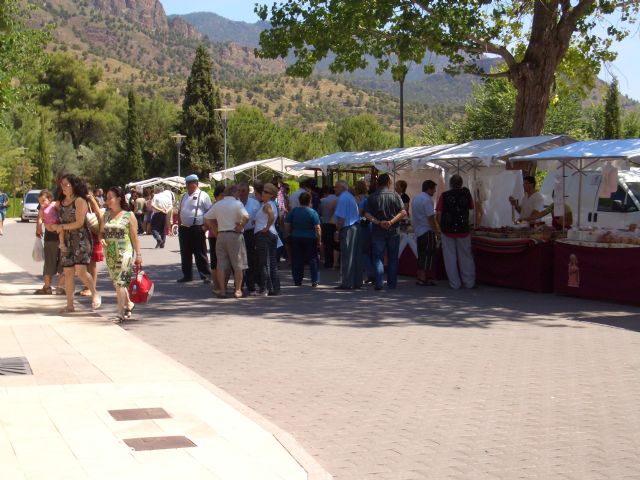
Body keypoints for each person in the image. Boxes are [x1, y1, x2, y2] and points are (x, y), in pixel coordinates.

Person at [52, 174, 101, 313]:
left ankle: (94, 293)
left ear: (74, 186)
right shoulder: (61, 202)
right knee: (68, 272)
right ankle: (70, 305)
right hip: (66, 240)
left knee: (81, 271)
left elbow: (79, 223)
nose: (63, 187)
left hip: (81, 239)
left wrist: (61, 227)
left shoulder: (80, 201)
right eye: (62, 185)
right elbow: (58, 220)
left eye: (66, 184)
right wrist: (53, 226)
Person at [100, 186, 142, 321]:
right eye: (107, 198)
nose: (108, 200)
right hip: (110, 252)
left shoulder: (129, 215)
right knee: (116, 282)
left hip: (125, 251)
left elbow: (134, 237)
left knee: (120, 282)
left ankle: (120, 311)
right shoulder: (105, 215)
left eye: (110, 197)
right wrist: (101, 239)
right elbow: (101, 231)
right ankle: (129, 303)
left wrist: (139, 255)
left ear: (119, 199)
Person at [204, 184, 249, 299]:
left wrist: (214, 229)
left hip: (221, 235)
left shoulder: (218, 204)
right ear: (234, 193)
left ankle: (222, 290)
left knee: (221, 264)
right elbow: (246, 216)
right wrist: (241, 225)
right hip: (234, 235)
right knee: (238, 264)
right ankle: (238, 290)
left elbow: (207, 217)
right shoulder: (237, 204)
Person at [364, 174, 407, 290]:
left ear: (378, 183)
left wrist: (378, 222)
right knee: (393, 258)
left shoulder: (372, 197)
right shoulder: (395, 196)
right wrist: (391, 222)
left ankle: (379, 283)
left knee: (378, 257)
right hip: (393, 230)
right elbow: (403, 213)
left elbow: (366, 214)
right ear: (388, 182)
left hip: (378, 230)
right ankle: (392, 284)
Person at [436, 174, 475, 290]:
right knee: (466, 256)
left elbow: (438, 213)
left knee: (450, 257)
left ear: (450, 184)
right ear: (461, 183)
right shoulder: (467, 194)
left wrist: (441, 227)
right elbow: (472, 211)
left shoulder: (444, 195)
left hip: (447, 230)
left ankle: (455, 283)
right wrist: (470, 226)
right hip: (463, 229)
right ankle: (469, 282)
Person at [177, 174, 212, 283]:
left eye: (189, 184)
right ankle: (187, 275)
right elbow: (179, 210)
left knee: (200, 252)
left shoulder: (203, 195)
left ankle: (205, 275)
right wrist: (179, 223)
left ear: (195, 184)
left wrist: (205, 227)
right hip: (184, 228)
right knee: (185, 253)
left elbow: (210, 212)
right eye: (186, 184)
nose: (187, 186)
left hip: (197, 228)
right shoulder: (184, 196)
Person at [286, 191, 321, 287]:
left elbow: (287, 224)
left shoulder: (294, 211)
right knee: (313, 259)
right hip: (310, 237)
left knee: (297, 259)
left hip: (296, 236)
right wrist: (319, 240)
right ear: (310, 200)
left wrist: (290, 232)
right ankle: (315, 280)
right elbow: (317, 228)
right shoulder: (313, 212)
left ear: (299, 200)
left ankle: (297, 280)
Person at [34, 190, 64, 295]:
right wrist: (38, 228)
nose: (41, 203)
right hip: (52, 237)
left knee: (58, 262)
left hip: (59, 235)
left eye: (43, 200)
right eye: (40, 201)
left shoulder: (54, 204)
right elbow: (40, 219)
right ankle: (52, 287)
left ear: (50, 199)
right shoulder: (44, 207)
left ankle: (53, 287)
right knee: (55, 262)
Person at [334, 180, 362, 290]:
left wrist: (337, 231)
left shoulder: (342, 198)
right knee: (356, 256)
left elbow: (341, 218)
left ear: (342, 188)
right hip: (356, 227)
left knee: (347, 257)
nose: (334, 189)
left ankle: (346, 282)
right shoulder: (350, 197)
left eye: (336, 187)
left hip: (348, 228)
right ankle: (357, 281)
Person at [77, 185, 104, 297]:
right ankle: (87, 286)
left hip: (93, 235)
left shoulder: (92, 202)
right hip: (85, 235)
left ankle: (91, 288)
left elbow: (98, 215)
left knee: (91, 263)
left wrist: (92, 201)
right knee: (86, 263)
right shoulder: (82, 202)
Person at [254, 183, 281, 296]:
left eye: (266, 192)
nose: (263, 193)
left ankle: (264, 288)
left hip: (264, 235)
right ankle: (274, 288)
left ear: (271, 195)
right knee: (272, 262)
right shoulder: (270, 204)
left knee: (264, 263)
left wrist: (266, 227)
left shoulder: (267, 205)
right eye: (263, 191)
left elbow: (271, 216)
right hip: (272, 234)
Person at [412, 180, 439, 286]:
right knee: (427, 255)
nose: (435, 191)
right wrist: (436, 231)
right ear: (429, 188)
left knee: (421, 254)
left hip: (419, 230)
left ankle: (420, 276)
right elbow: (431, 218)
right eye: (433, 189)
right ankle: (423, 278)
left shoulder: (416, 198)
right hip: (427, 230)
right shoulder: (427, 200)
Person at [238, 182, 260, 295]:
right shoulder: (235, 203)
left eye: (243, 191)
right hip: (237, 234)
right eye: (239, 191)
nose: (241, 193)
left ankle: (251, 286)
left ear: (248, 192)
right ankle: (239, 286)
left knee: (251, 260)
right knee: (239, 261)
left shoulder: (255, 203)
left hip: (251, 233)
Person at [205, 185, 226, 295]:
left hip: (222, 236)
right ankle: (217, 286)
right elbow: (207, 221)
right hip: (215, 236)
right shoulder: (215, 206)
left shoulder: (221, 206)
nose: (224, 197)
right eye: (222, 195)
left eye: (225, 195)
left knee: (221, 262)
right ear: (217, 196)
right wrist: (216, 232)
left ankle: (221, 286)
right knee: (215, 262)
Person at [354, 180, 375, 284]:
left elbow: (360, 213)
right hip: (371, 224)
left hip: (362, 225)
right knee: (370, 250)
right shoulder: (369, 197)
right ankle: (372, 272)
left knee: (363, 251)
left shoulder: (357, 199)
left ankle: (371, 273)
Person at [319, 186, 338, 268]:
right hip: (337, 224)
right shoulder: (339, 200)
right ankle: (336, 261)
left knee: (327, 243)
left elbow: (319, 212)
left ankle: (328, 262)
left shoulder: (322, 200)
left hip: (326, 224)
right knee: (336, 243)